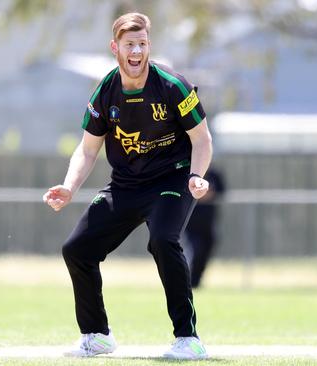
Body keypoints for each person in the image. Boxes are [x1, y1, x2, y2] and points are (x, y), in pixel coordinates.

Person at [42, 12, 212, 360]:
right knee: (77, 249)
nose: (136, 51)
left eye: (142, 44)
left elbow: (203, 140)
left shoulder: (172, 86)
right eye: (129, 44)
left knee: (163, 240)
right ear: (115, 48)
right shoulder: (106, 91)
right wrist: (69, 187)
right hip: (126, 185)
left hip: (171, 180)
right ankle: (97, 335)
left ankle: (188, 338)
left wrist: (196, 176)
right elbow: (88, 150)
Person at [184, 168, 225, 288]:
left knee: (206, 251)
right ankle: (188, 281)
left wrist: (209, 194)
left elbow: (221, 191)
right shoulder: (189, 174)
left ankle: (196, 282)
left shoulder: (214, 175)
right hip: (191, 223)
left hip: (208, 223)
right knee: (196, 250)